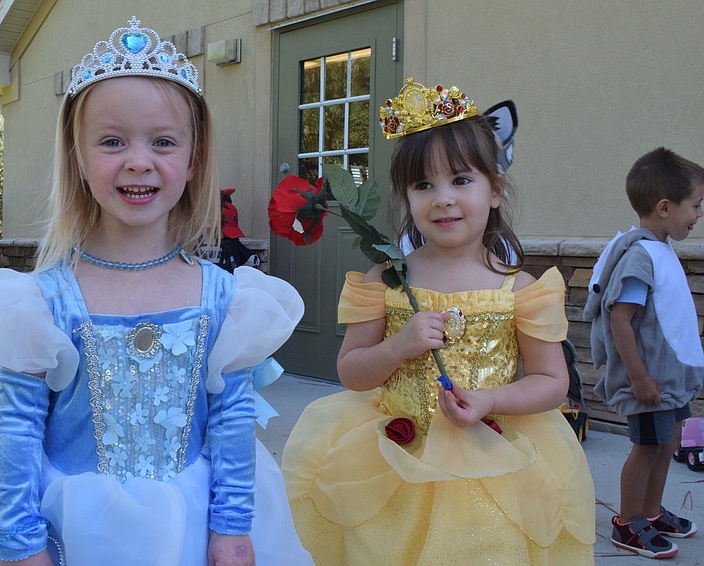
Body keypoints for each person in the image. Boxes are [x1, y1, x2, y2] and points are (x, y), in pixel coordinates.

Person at [0, 17, 313, 566]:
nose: (139, 160)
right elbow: (17, 424)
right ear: (79, 159)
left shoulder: (226, 298)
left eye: (162, 141)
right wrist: (22, 540)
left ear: (192, 160)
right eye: (112, 141)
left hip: (190, 528)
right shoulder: (40, 302)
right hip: (74, 527)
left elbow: (232, 419)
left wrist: (232, 527)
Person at [281, 79, 596, 564]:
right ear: (405, 197)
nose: (442, 198)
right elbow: (351, 371)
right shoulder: (386, 279)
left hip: (493, 468)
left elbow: (553, 382)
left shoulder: (523, 290)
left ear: (496, 191)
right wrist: (397, 347)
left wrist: (491, 399)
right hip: (389, 462)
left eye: (461, 180)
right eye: (423, 185)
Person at [585, 147, 704, 559]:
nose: (698, 214)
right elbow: (621, 320)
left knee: (668, 443)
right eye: (696, 205)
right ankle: (627, 523)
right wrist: (639, 379)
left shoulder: (661, 248)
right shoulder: (639, 256)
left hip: (670, 381)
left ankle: (651, 514)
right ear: (665, 207)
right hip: (650, 380)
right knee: (647, 448)